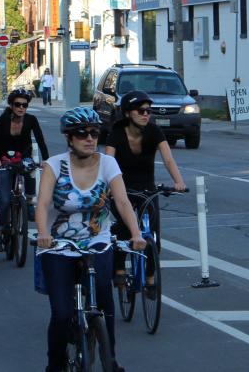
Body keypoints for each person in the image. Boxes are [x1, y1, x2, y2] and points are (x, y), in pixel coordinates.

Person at [35, 107, 145, 372]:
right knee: (61, 314)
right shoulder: (54, 165)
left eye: (95, 133)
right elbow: (43, 203)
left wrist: (136, 233)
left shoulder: (108, 163)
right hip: (59, 245)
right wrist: (43, 233)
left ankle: (111, 359)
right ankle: (54, 364)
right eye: (82, 134)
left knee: (105, 301)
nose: (90, 139)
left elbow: (121, 200)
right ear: (70, 139)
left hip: (98, 240)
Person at [104, 91, 187, 282]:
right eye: (140, 110)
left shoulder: (154, 130)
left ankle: (150, 276)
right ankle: (119, 268)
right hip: (121, 187)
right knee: (124, 229)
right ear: (127, 113)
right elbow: (108, 161)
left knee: (153, 235)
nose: (146, 114)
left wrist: (178, 181)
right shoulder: (117, 132)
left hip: (147, 187)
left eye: (148, 111)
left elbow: (168, 159)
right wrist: (108, 186)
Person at [0, 88, 50, 252]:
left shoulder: (31, 120)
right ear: (11, 105)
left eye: (25, 105)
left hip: (23, 158)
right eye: (17, 104)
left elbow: (41, 140)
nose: (21, 107)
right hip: (3, 160)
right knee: (5, 200)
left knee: (30, 167)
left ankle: (28, 202)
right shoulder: (3, 120)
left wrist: (46, 159)